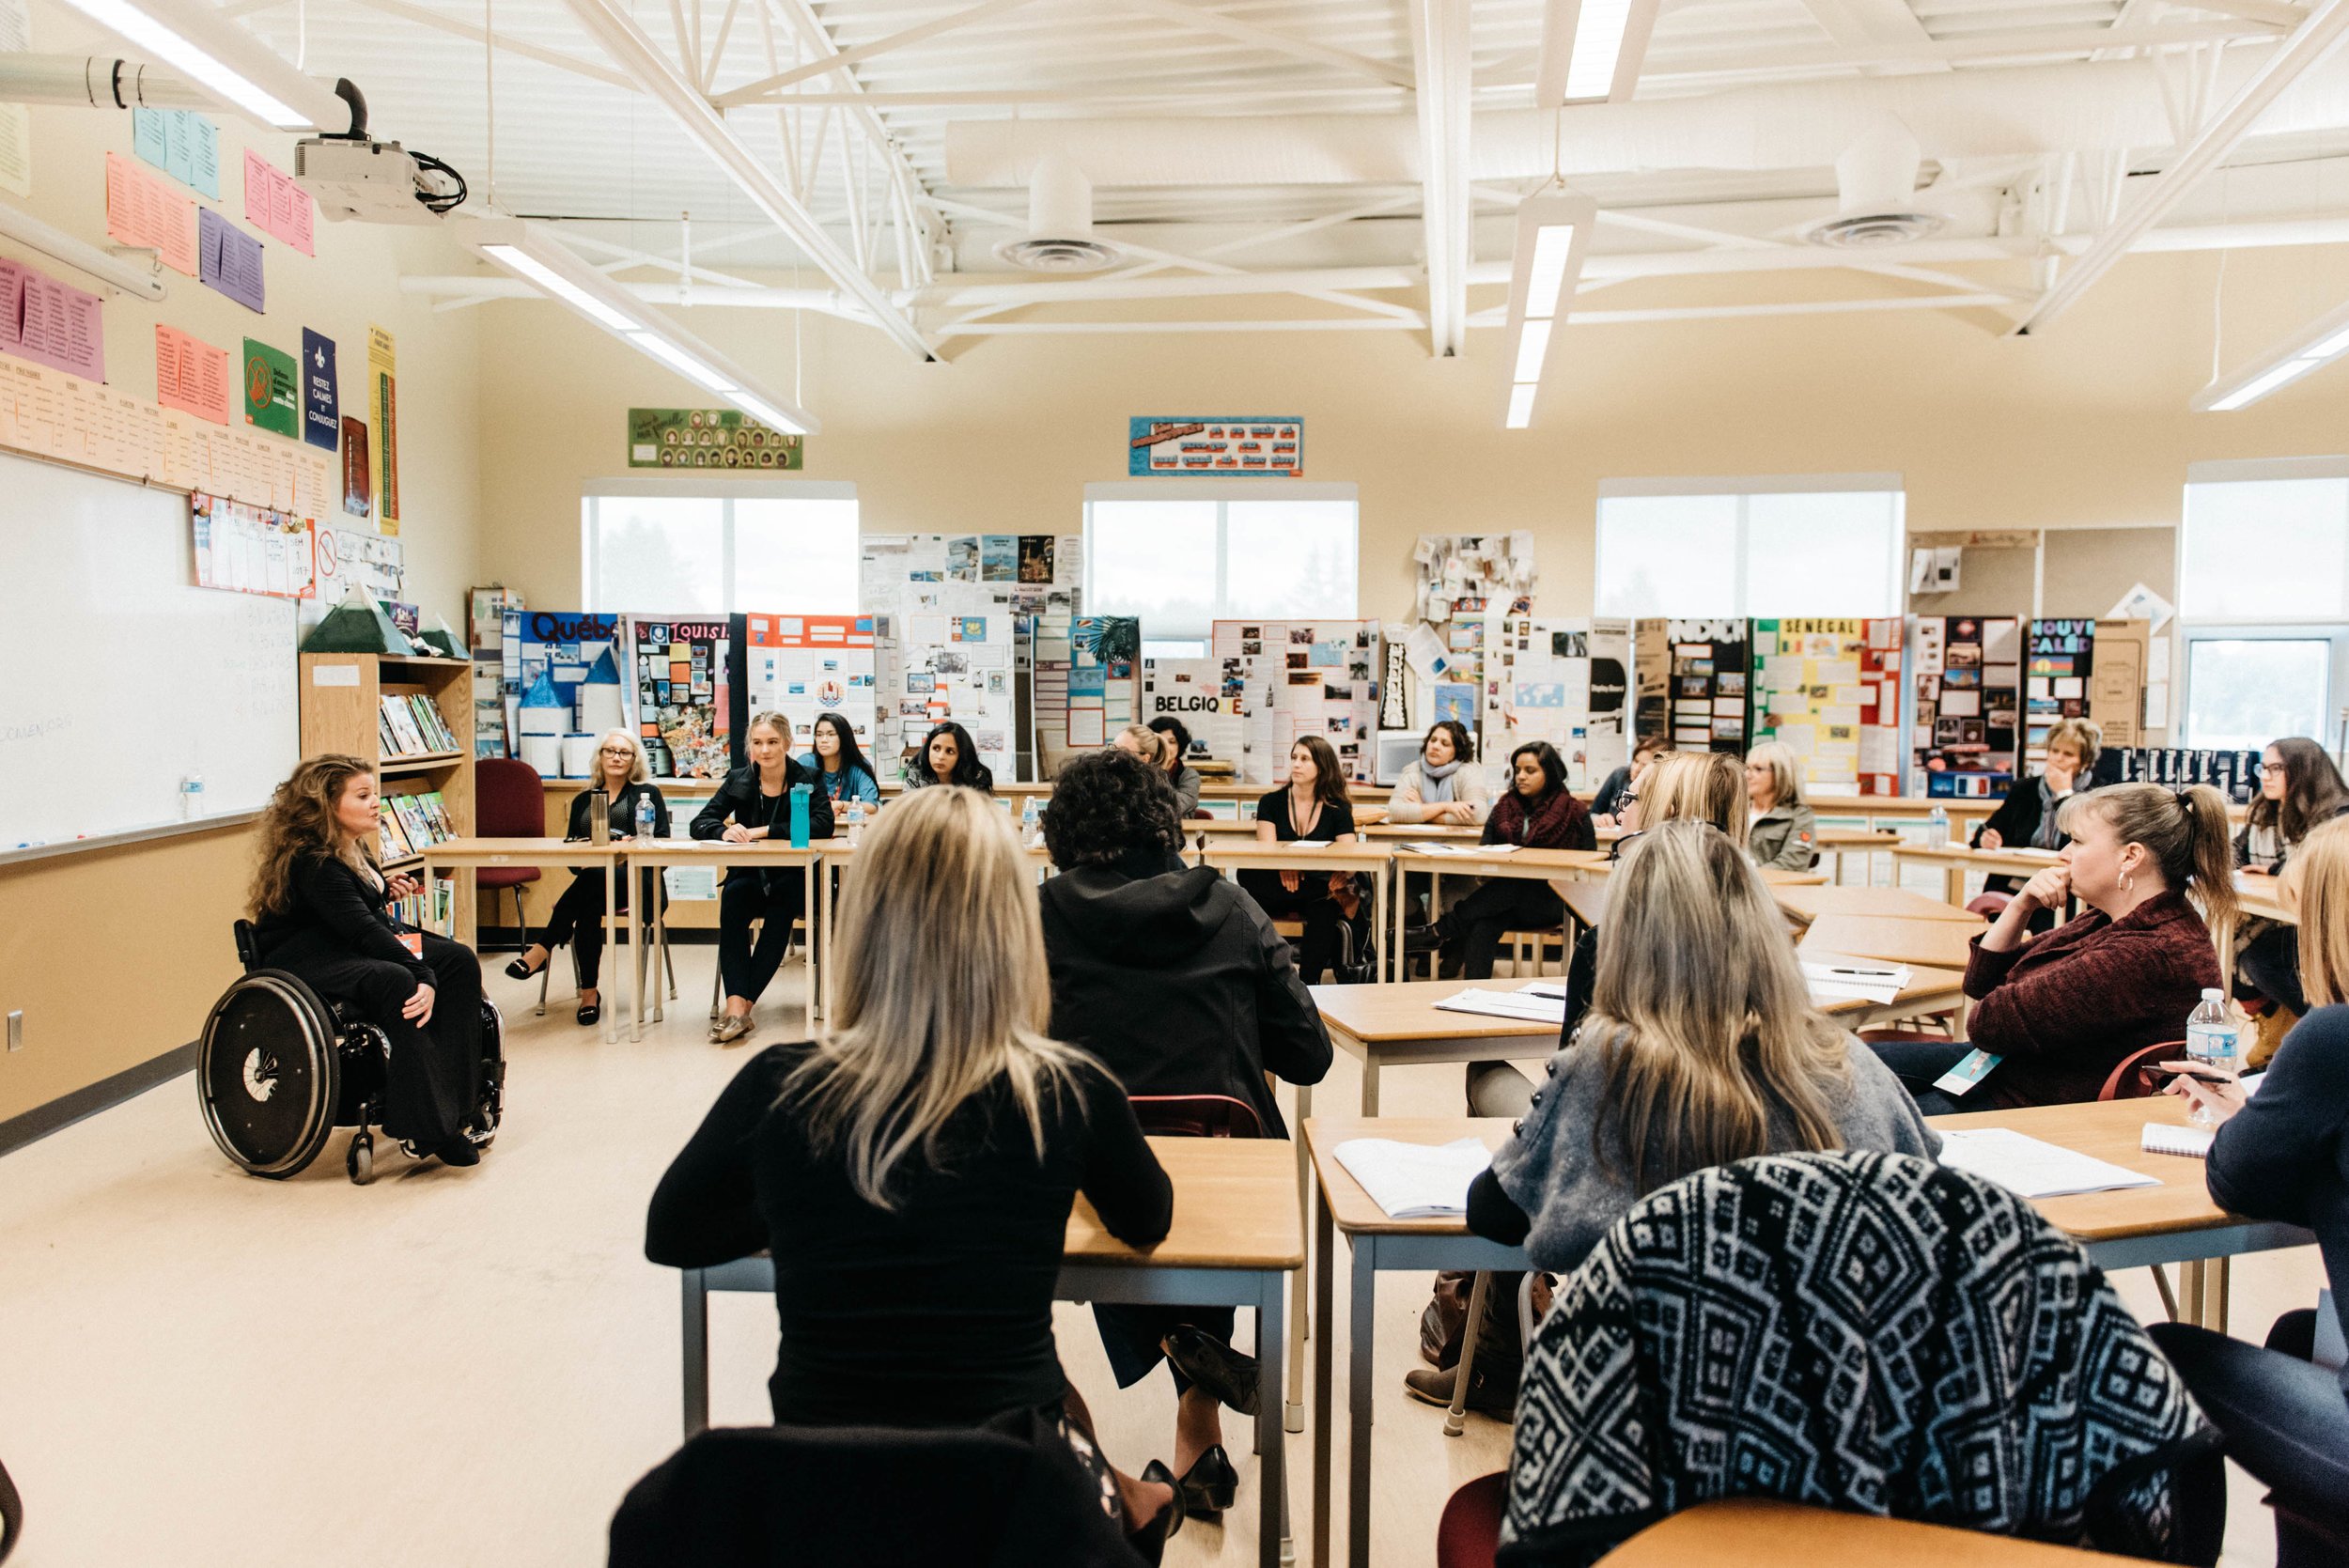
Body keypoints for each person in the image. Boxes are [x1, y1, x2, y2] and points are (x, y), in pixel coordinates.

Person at [644, 787, 1186, 1557]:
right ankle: (1137, 1500)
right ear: (1013, 931)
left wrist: (806, 1202)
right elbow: (1148, 1216)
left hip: (821, 1492)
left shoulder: (785, 1086)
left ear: (863, 923)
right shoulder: (1066, 1089)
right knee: (1086, 1445)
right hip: (1011, 1499)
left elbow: (673, 1232)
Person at [1411, 820, 1937, 1412]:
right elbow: (1926, 1191)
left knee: (1489, 1080)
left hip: (1670, 1422)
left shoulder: (1610, 1070)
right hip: (1853, 1410)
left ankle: (1494, 1365)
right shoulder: (1848, 1061)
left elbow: (1495, 1213)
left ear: (1628, 940)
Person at [1035, 748, 1333, 1516]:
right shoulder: (1232, 908)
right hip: (1223, 1167)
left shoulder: (1035, 913)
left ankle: (1181, 1380)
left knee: (1111, 1152)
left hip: (1082, 1181)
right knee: (1203, 1169)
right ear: (1164, 820)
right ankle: (1197, 1397)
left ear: (1063, 830)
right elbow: (1310, 1053)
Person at [2151, 815, 2349, 1568]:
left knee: (2163, 1355)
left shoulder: (2331, 1038)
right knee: (2300, 1334)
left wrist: (2254, 1117)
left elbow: (2233, 1176)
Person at [1870, 783, 2237, 1115]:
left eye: (2077, 842)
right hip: (2009, 1071)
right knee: (1845, 1063)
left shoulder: (2150, 952)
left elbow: (1987, 1024)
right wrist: (2021, 904)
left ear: (2130, 857)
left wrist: (2012, 987)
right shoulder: (2113, 919)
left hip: (2028, 1104)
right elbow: (1981, 983)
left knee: (1867, 1114)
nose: (2063, 853)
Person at [1467, 750, 1748, 1118]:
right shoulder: (1761, 944)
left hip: (1615, 1149)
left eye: (1628, 800)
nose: (1618, 813)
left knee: (1482, 1070)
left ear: (1667, 813)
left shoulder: (1610, 947)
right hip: (1725, 1137)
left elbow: (1573, 1089)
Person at [247, 753, 488, 1168]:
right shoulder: (315, 863)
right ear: (327, 805)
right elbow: (363, 931)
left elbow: (358, 911)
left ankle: (460, 1104)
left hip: (344, 943)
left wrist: (382, 890)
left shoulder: (351, 848)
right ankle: (428, 1126)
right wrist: (422, 974)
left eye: (374, 793)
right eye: (363, 795)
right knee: (398, 979)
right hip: (309, 958)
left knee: (459, 960)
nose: (376, 802)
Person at [505, 728, 668, 1027]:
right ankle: (589, 995)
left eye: (624, 752)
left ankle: (541, 949)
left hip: (637, 884)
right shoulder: (583, 800)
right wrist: (585, 852)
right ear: (600, 756)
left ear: (634, 759)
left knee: (592, 882)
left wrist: (628, 844)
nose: (616, 757)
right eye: (610, 751)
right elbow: (572, 860)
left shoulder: (647, 794)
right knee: (589, 899)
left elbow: (662, 845)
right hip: (593, 884)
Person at [693, 712, 836, 1046]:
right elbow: (701, 822)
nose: (765, 750)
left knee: (780, 910)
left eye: (773, 742)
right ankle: (735, 1010)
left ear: (787, 743)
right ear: (750, 747)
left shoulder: (807, 777)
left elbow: (823, 824)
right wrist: (725, 832)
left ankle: (741, 1009)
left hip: (793, 876)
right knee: (732, 901)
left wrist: (765, 830)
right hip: (749, 874)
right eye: (757, 743)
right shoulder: (739, 779)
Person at [1434, 740, 1595, 981]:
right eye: (1517, 770)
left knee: (1518, 884)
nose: (1521, 777)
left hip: (1554, 903)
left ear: (1550, 773)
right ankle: (1471, 997)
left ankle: (1445, 929)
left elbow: (1589, 869)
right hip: (1502, 902)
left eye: (1530, 771)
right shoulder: (1503, 808)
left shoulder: (1575, 811)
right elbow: (1483, 853)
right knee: (1483, 924)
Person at [2232, 737, 2349, 1020]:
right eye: (2264, 768)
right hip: (2279, 913)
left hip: (2329, 920)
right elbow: (2237, 851)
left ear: (2303, 770)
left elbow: (2322, 867)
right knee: (2229, 953)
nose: (2266, 777)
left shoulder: (2338, 814)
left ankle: (2319, 1023)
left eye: (2276, 768)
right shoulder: (2266, 811)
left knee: (2259, 960)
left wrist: (2275, 870)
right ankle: (2284, 1026)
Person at [1244, 736, 1361, 984]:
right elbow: (1267, 850)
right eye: (1294, 758)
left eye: (1305, 759)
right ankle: (1262, 978)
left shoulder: (1337, 807)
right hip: (1281, 883)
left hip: (1317, 887)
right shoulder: (1271, 801)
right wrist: (1286, 865)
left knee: (1326, 903)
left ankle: (1309, 984)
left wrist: (1342, 873)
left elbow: (1349, 859)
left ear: (1322, 766)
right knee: (1247, 873)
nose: (1296, 764)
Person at [1969, 718, 2101, 916]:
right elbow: (1986, 830)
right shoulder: (2024, 789)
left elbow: (2087, 843)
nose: (2058, 759)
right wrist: (1986, 837)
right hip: (2016, 883)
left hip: (2068, 891)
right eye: (2054, 751)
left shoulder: (2097, 795)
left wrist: (2065, 795)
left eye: (2068, 754)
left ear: (2084, 762)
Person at [1386, 720, 1488, 828]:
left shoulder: (1468, 771)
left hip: (1457, 841)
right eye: (1433, 740)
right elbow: (1394, 812)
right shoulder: (1413, 771)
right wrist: (1446, 807)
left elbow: (1478, 814)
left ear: (1457, 751)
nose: (1435, 746)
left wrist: (1422, 810)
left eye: (1445, 744)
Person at [1743, 740, 1817, 871]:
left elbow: (1792, 864)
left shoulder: (1799, 815)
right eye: (1747, 768)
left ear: (1781, 774)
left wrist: (1744, 878)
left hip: (1770, 888)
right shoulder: (1735, 809)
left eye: (1758, 769)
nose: (1747, 775)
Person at [799, 712, 880, 809]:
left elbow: (871, 806)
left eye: (831, 734)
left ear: (844, 738)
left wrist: (841, 805)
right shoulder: (805, 763)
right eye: (819, 735)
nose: (823, 740)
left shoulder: (859, 766)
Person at [1590, 734, 1666, 828]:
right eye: (1636, 761)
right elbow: (1593, 813)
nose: (1636, 768)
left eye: (1644, 765)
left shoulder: (1664, 792)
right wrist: (1599, 819)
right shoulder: (1619, 775)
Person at [910, 720, 994, 793]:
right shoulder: (915, 774)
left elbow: (979, 810)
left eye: (950, 751)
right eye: (936, 748)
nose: (941, 756)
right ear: (928, 748)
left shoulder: (976, 778)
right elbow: (908, 809)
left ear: (961, 755)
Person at [1144, 716, 1204, 815]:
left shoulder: (1189, 775)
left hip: (1180, 829)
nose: (1166, 746)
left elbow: (1179, 805)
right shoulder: (1143, 770)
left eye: (1171, 742)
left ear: (1179, 745)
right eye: (1161, 742)